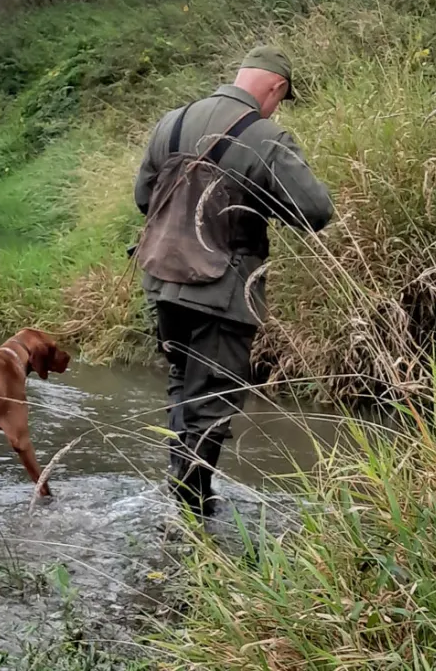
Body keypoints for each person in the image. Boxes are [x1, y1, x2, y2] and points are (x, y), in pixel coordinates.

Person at [132, 44, 334, 519]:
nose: (277, 108)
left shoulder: (172, 122)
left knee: (182, 388)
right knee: (213, 401)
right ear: (276, 88)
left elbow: (144, 197)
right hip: (220, 292)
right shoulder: (263, 136)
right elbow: (316, 210)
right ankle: (193, 511)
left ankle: (178, 494)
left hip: (162, 282)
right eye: (280, 99)